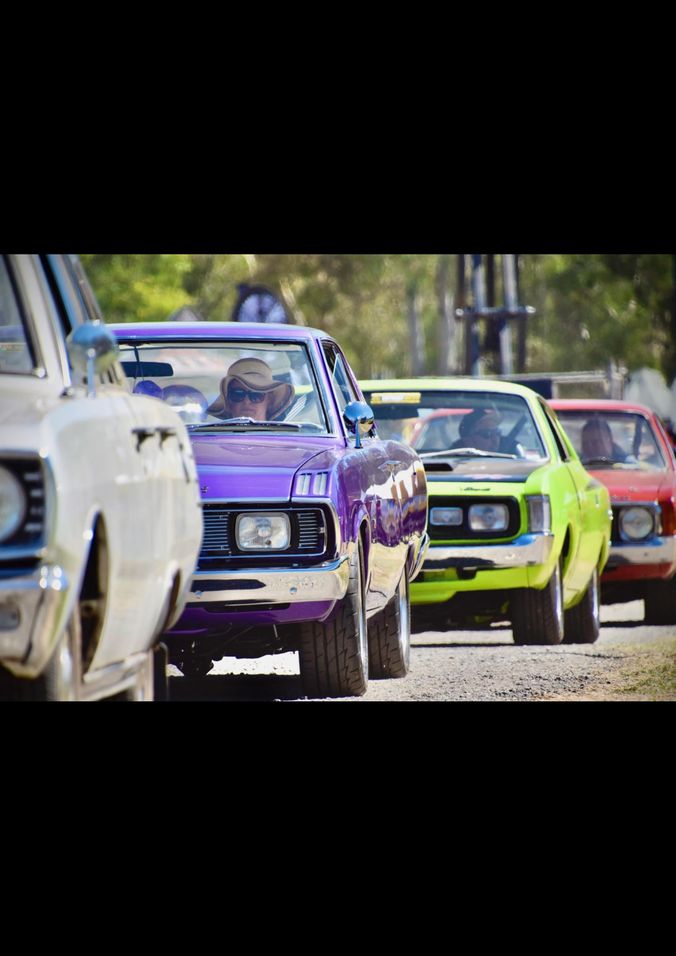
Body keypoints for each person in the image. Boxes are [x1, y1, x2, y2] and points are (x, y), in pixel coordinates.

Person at [207, 357, 295, 422]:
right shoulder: (211, 439)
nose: (246, 401)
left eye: (256, 395)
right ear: (228, 401)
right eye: (238, 394)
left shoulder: (284, 441)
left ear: (269, 399)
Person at [452, 407, 521, 455]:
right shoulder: (452, 463)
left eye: (497, 432)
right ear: (468, 441)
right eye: (487, 434)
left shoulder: (512, 456)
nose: (495, 439)